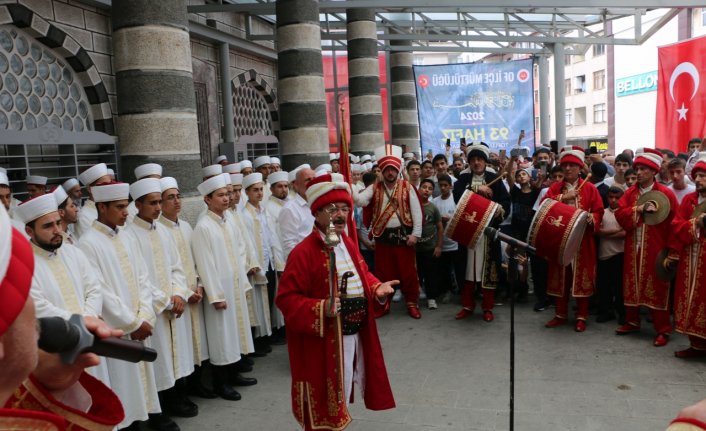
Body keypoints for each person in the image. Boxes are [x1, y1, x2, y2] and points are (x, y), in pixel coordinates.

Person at [276, 174, 396, 430]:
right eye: (332, 209)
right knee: (325, 397)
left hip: (352, 335)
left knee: (344, 389)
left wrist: (376, 288)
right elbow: (285, 299)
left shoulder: (347, 243)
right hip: (324, 339)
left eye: (344, 209)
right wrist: (321, 307)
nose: (340, 215)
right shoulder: (303, 252)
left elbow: (363, 273)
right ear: (317, 213)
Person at [0, 202, 125, 430]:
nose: (57, 230)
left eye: (58, 223)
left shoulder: (74, 252)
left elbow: (94, 288)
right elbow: (38, 306)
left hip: (89, 338)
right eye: (48, 226)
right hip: (58, 348)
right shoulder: (25, 260)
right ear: (29, 231)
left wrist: (87, 320)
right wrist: (79, 326)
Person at [77, 182, 166, 430]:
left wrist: (145, 315)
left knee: (143, 389)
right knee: (124, 387)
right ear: (102, 207)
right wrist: (133, 323)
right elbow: (100, 292)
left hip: (139, 322)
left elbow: (143, 278)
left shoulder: (126, 236)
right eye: (119, 207)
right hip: (119, 330)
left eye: (125, 206)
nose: (126, 212)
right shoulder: (89, 242)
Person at [125, 178, 197, 419]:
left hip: (174, 304)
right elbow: (139, 278)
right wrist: (166, 301)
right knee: (159, 359)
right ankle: (160, 411)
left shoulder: (164, 232)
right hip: (153, 309)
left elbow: (177, 267)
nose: (158, 208)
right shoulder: (130, 236)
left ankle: (178, 397)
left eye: (159, 202)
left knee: (177, 354)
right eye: (152, 203)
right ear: (138, 204)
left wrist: (178, 293)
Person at [191, 174, 256, 402]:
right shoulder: (203, 226)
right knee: (222, 337)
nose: (227, 198)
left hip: (234, 286)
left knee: (236, 333)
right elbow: (205, 264)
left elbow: (239, 251)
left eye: (227, 194)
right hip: (219, 292)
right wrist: (216, 295)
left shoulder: (228, 221)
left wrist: (242, 281)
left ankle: (234, 373)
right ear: (207, 199)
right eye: (221, 195)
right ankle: (221, 383)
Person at [615, 148, 678, 347]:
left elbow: (675, 224)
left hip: (657, 249)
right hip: (634, 246)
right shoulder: (630, 193)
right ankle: (632, 321)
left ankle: (663, 329)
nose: (638, 173)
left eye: (643, 169)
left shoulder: (666, 194)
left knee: (657, 287)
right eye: (638, 168)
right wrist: (639, 209)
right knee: (631, 284)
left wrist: (672, 250)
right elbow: (620, 215)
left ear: (653, 171)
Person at [157, 177, 214, 398]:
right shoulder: (160, 231)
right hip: (178, 298)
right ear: (160, 203)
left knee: (196, 345)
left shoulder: (186, 226)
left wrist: (198, 284)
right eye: (170, 198)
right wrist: (185, 292)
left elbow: (194, 259)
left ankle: (197, 384)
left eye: (178, 196)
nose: (177, 201)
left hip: (194, 294)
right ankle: (180, 393)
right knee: (179, 347)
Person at [356, 146, 424, 319]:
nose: (390, 173)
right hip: (383, 239)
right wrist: (347, 186)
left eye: (393, 169)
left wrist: (415, 234)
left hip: (403, 238)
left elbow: (417, 212)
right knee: (383, 273)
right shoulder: (374, 188)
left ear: (398, 170)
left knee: (408, 273)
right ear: (383, 171)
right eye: (387, 170)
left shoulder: (407, 187)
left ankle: (412, 303)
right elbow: (361, 201)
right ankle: (383, 304)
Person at [543, 146, 604, 332]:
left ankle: (581, 315)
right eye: (565, 165)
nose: (568, 169)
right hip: (560, 240)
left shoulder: (590, 188)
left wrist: (590, 218)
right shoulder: (555, 188)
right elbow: (544, 207)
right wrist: (563, 197)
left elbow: (599, 212)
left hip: (582, 241)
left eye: (572, 165)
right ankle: (560, 314)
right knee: (561, 277)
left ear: (580, 168)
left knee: (581, 278)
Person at [453, 143, 510, 322]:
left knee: (488, 270)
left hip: (487, 234)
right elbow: (457, 197)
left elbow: (506, 204)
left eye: (479, 159)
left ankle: (487, 307)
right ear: (469, 162)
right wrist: (477, 189)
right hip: (467, 232)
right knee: (468, 270)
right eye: (473, 160)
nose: (476, 163)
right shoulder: (463, 180)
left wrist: (495, 211)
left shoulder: (496, 179)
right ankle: (467, 305)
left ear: (485, 162)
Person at [670, 153, 706, 358]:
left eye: (703, 176)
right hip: (690, 259)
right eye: (697, 175)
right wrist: (696, 223)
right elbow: (676, 226)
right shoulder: (690, 200)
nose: (698, 179)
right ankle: (696, 345)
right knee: (690, 298)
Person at [596, 186, 626, 323]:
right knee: (604, 286)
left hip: (619, 254)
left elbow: (625, 233)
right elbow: (597, 231)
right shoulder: (602, 213)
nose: (613, 200)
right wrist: (615, 230)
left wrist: (606, 232)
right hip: (604, 254)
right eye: (611, 197)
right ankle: (606, 312)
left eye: (617, 198)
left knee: (620, 287)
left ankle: (622, 313)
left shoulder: (624, 214)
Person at [432, 174, 463, 303]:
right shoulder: (435, 201)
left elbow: (462, 218)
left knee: (459, 269)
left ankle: (462, 293)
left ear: (451, 186)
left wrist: (449, 219)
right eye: (441, 186)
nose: (443, 188)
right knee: (444, 270)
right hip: (442, 243)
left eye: (446, 185)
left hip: (455, 242)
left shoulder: (456, 200)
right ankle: (448, 291)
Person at [416, 179, 443, 309]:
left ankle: (431, 298)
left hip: (430, 248)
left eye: (430, 188)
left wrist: (438, 246)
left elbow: (440, 227)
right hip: (415, 249)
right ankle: (414, 299)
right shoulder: (412, 206)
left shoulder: (433, 208)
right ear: (419, 188)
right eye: (424, 187)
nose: (426, 190)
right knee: (416, 275)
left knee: (431, 274)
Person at [279, 166, 316, 260]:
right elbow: (289, 245)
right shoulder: (290, 209)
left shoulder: (318, 204)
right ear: (296, 185)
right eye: (307, 180)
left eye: (314, 179)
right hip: (304, 261)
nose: (312, 182)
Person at [75, 163, 111, 239]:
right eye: (103, 185)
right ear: (89, 189)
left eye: (110, 184)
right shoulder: (83, 217)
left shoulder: (112, 208)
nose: (109, 188)